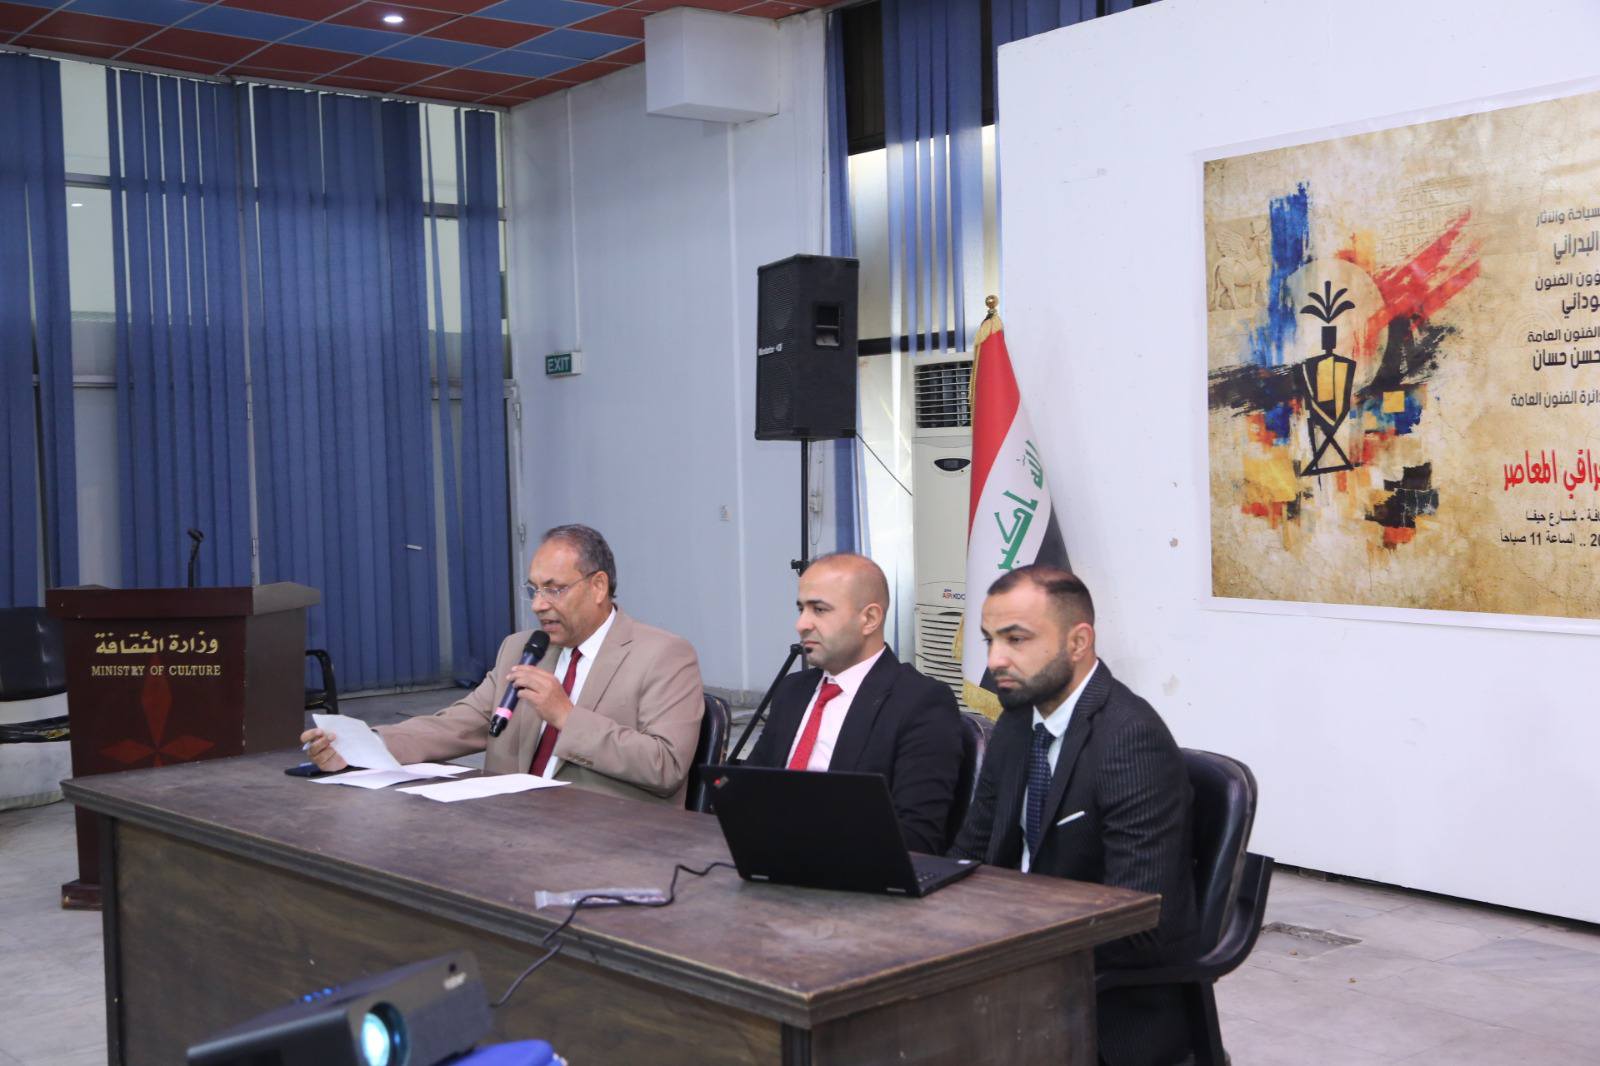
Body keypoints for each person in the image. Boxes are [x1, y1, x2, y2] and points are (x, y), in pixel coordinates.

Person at [949, 565, 1198, 1066]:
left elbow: (1143, 921)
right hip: (1010, 970)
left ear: (1078, 642)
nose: (995, 660)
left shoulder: (1130, 739)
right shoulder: (1018, 721)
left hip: (1102, 1006)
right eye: (990, 640)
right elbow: (970, 854)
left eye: (1016, 639)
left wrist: (1003, 945)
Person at [300, 524, 704, 806]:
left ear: (598, 586)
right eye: (533, 589)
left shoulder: (663, 655)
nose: (538, 605)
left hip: (606, 838)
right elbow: (459, 724)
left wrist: (566, 716)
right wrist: (361, 747)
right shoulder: (521, 649)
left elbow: (665, 767)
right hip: (510, 826)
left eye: (554, 590)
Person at [744, 552, 964, 854]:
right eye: (801, 609)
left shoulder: (920, 703)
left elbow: (917, 837)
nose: (801, 624)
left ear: (869, 619)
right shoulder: (792, 691)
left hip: (855, 870)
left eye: (819, 610)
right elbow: (750, 790)